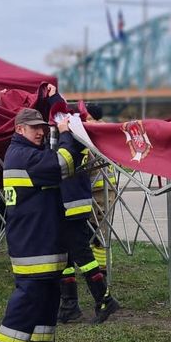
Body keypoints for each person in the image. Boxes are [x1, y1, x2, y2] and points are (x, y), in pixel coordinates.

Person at [0, 108, 76, 342]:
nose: (40, 132)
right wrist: (66, 135)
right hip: (33, 241)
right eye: (34, 128)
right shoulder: (25, 156)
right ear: (19, 130)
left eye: (42, 127)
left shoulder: (26, 153)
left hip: (40, 237)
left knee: (48, 293)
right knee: (29, 295)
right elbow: (62, 164)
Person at [58, 105, 119, 325]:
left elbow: (63, 161)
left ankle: (104, 300)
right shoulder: (78, 134)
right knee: (65, 255)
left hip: (75, 203)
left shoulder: (75, 136)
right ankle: (69, 305)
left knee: (83, 254)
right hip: (72, 202)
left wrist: (64, 132)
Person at [86, 103, 117, 288]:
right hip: (98, 189)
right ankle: (98, 267)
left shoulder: (98, 133)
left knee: (100, 232)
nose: (84, 121)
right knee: (95, 230)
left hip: (101, 190)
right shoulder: (103, 132)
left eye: (87, 118)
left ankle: (103, 269)